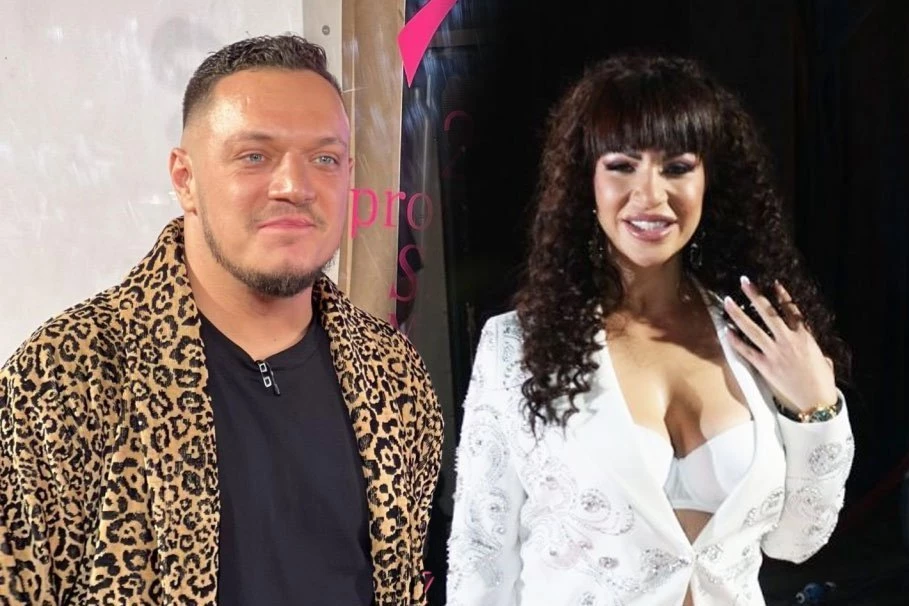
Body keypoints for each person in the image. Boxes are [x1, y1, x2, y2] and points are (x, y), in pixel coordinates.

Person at [0, 34, 442, 606]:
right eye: (254, 156)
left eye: (324, 159)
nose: (295, 187)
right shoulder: (67, 374)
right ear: (185, 179)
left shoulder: (391, 374)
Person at [447, 54, 854, 606]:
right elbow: (481, 559)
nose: (651, 196)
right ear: (586, 181)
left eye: (677, 167)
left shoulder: (759, 339)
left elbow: (797, 541)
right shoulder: (517, 347)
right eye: (622, 165)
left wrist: (817, 407)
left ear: (710, 180)